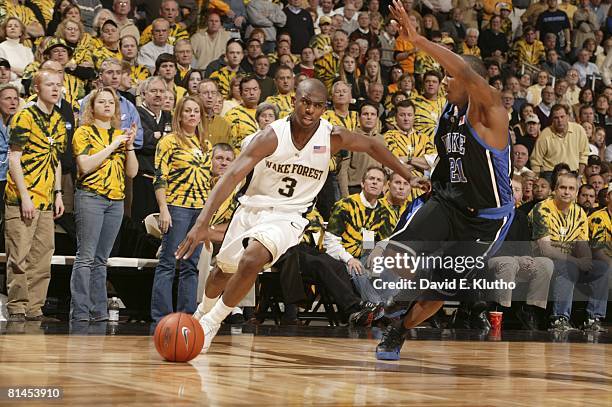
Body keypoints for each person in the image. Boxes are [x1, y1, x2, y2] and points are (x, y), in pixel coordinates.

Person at [174, 78, 423, 353]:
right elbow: (232, 176)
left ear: (324, 108)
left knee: (254, 257)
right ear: (294, 100)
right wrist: (201, 223)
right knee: (222, 272)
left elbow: (373, 146)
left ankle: (211, 322)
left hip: (289, 215)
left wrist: (407, 174)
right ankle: (201, 314)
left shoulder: (332, 137)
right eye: (305, 102)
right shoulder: (271, 136)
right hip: (252, 208)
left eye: (317, 106)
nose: (309, 110)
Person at [370, 1, 514, 360]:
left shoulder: (491, 113)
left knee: (437, 290)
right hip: (449, 202)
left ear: (470, 84)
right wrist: (433, 182)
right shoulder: (447, 113)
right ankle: (390, 301)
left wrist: (416, 38)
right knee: (396, 251)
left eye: (450, 77)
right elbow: (452, 159)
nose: (444, 79)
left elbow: (463, 68)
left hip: (485, 218)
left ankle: (398, 331)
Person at [69, 87, 138, 322]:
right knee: (86, 256)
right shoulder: (84, 132)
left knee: (101, 259)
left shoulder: (120, 134)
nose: (108, 105)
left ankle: (98, 311)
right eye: (102, 102)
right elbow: (85, 165)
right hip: (91, 197)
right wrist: (112, 146)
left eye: (111, 102)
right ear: (92, 107)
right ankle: (80, 311)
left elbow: (132, 172)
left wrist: (128, 146)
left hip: (115, 201)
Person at [4, 70, 65, 322]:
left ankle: (34, 308)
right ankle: (17, 307)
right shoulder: (24, 116)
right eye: (49, 84)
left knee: (42, 256)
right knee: (19, 255)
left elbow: (56, 160)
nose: (55, 88)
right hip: (21, 199)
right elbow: (13, 159)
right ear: (37, 89)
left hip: (47, 199)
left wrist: (58, 193)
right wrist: (25, 196)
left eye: (58, 85)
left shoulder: (59, 120)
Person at [150, 96, 212, 321]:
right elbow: (159, 177)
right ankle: (161, 317)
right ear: (179, 115)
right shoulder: (168, 142)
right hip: (177, 207)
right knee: (168, 262)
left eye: (196, 111)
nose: (192, 114)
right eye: (187, 111)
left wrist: (207, 216)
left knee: (191, 265)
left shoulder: (206, 144)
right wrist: (163, 209)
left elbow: (209, 181)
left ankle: (186, 316)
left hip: (200, 210)